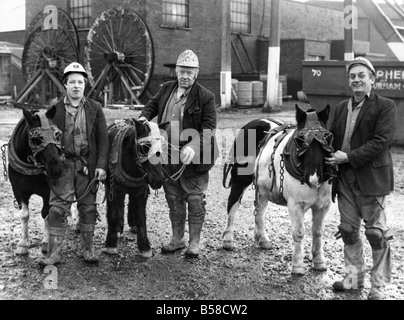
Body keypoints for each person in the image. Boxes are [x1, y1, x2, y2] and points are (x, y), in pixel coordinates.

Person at [325, 57, 396, 300]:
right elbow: (331, 140)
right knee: (348, 230)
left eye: (362, 75)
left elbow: (380, 142)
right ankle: (354, 280)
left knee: (376, 234)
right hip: (344, 180)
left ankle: (378, 286)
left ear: (372, 80)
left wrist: (348, 157)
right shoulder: (340, 107)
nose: (356, 79)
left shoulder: (385, 106)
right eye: (352, 76)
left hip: (372, 178)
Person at [138, 49, 218, 258]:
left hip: (195, 158)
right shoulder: (165, 89)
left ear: (196, 73)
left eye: (189, 73)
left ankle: (194, 243)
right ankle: (177, 239)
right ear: (176, 71)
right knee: (173, 196)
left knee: (194, 198)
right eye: (181, 71)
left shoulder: (206, 97)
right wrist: (143, 118)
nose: (184, 76)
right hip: (168, 155)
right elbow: (151, 106)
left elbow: (208, 129)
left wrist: (193, 146)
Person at [39, 62, 108, 265]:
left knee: (88, 208)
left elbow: (103, 139)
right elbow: (44, 136)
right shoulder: (54, 108)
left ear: (85, 85)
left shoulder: (95, 108)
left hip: (87, 165)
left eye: (80, 82)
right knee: (56, 209)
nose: (76, 86)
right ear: (65, 85)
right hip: (62, 165)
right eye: (72, 82)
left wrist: (101, 165)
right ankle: (54, 253)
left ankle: (87, 249)